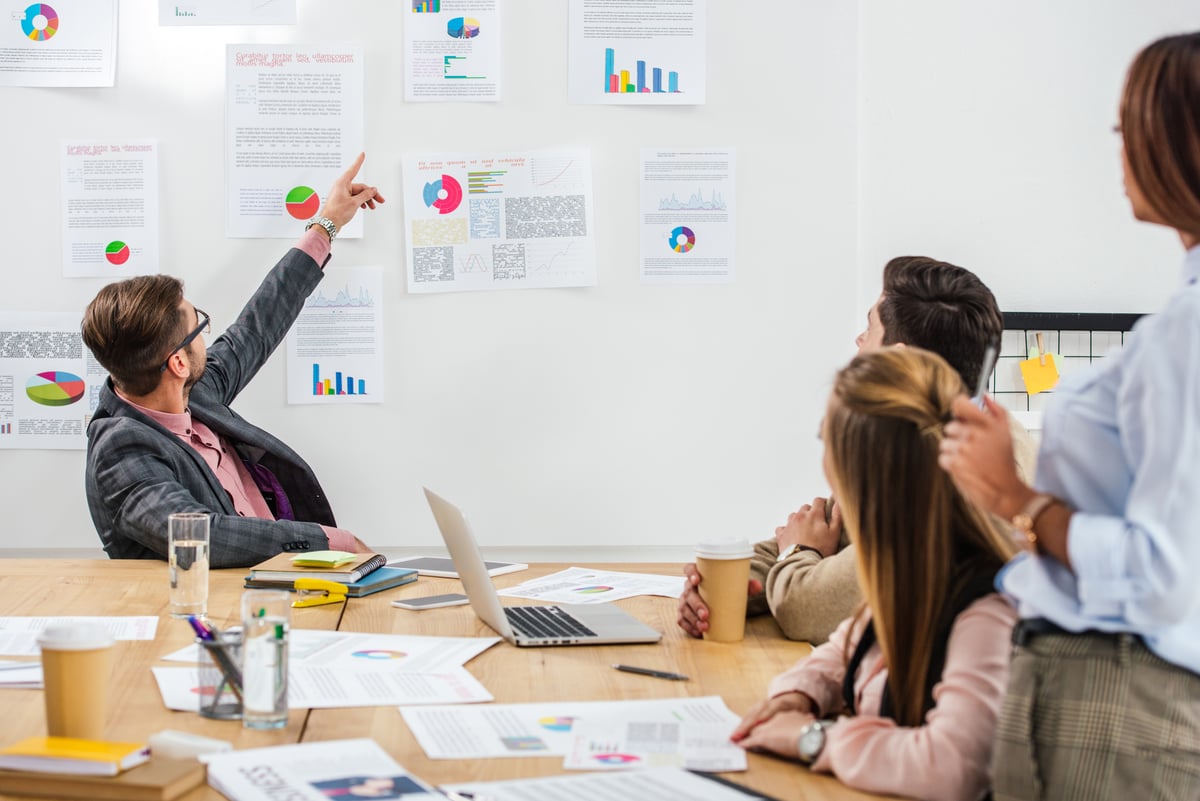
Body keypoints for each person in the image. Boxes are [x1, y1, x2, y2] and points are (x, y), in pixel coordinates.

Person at [937, 33, 1200, 800]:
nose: (1118, 149)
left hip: (1116, 711)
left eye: (1130, 127)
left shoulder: (1184, 331)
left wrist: (1017, 498)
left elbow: (1163, 575)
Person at [677, 256, 1037, 643]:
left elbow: (808, 608)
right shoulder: (924, 429)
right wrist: (725, 584)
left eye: (869, 328)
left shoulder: (970, 481)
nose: (859, 341)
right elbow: (821, 532)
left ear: (897, 360)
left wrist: (797, 552)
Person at [731, 347, 1019, 801]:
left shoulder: (985, 607)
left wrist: (813, 739)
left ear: (860, 478)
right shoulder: (911, 565)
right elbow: (845, 650)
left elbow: (954, 768)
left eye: (827, 442)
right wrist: (797, 697)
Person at [82, 154, 384, 569]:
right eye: (198, 325)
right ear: (178, 364)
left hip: (285, 584)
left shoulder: (194, 394)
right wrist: (328, 540)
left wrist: (326, 224)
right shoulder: (121, 447)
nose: (209, 334)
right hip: (218, 613)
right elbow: (198, 532)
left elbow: (257, 326)